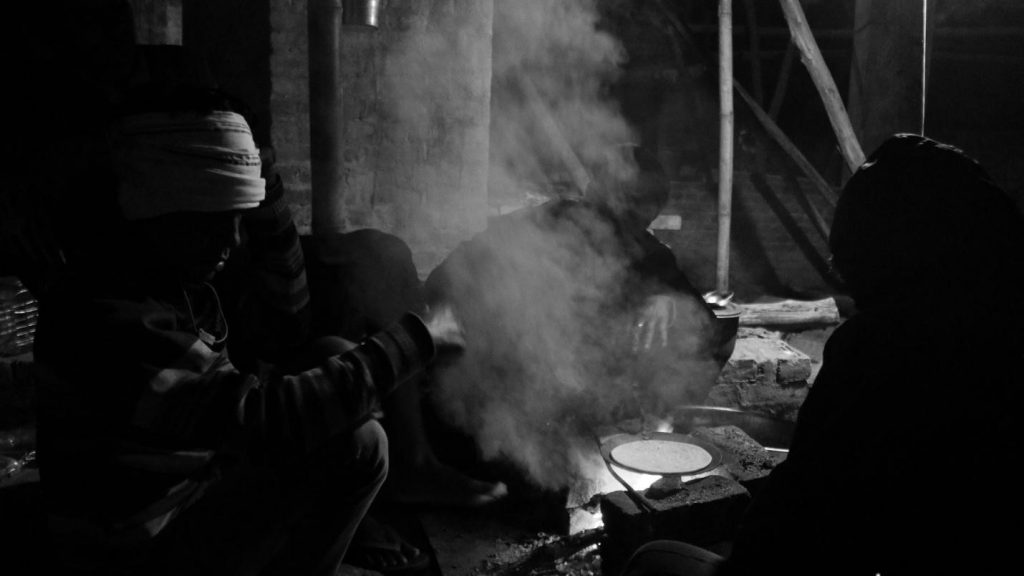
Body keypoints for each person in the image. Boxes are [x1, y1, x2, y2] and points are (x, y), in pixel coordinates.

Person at [32, 86, 465, 576]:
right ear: (159, 211)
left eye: (240, 220)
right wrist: (413, 342)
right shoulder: (110, 316)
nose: (233, 240)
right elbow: (266, 420)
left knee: (327, 350)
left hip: (195, 478)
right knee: (360, 444)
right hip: (138, 547)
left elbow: (288, 321)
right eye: (216, 223)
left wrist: (269, 188)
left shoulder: (172, 279)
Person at [621, 134, 1024, 576]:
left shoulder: (879, 350)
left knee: (652, 559)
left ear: (877, 253)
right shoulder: (995, 323)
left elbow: (795, 516)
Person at [424, 145, 729, 488]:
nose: (626, 212)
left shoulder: (650, 257)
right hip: (511, 395)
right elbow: (449, 274)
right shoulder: (548, 221)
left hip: (589, 400)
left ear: (651, 212)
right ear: (595, 192)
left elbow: (710, 329)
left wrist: (669, 301)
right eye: (621, 196)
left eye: (642, 204)